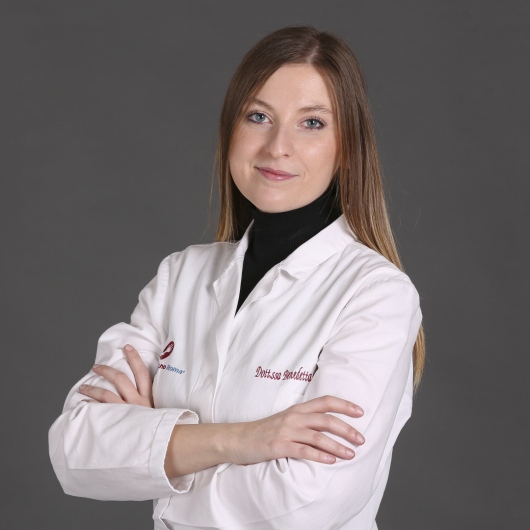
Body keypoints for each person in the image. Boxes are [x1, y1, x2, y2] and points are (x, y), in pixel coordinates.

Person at [49, 25, 425, 530]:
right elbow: (74, 452)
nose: (277, 146)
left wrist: (158, 458)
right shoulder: (181, 275)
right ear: (231, 128)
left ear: (348, 147)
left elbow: (309, 503)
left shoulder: (376, 294)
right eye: (258, 116)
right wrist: (247, 439)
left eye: (312, 123)